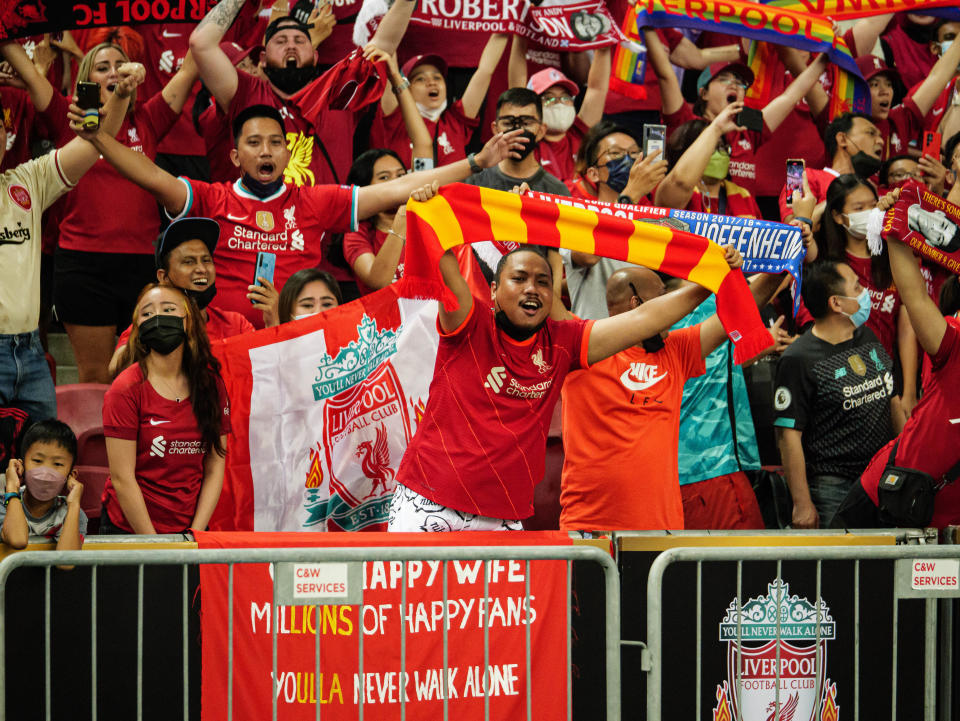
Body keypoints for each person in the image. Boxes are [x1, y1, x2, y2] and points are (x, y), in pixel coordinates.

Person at [388, 183, 763, 531]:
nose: (532, 288)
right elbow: (441, 257)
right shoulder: (468, 322)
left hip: (504, 514)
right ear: (493, 288)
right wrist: (429, 206)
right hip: (430, 500)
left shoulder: (565, 341)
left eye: (543, 281)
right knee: (414, 605)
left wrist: (708, 280)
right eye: (519, 279)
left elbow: (646, 317)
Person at [71, 103, 527, 328]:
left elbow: (395, 188)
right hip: (227, 346)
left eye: (274, 142)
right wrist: (96, 140)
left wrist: (475, 162)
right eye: (254, 143)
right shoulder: (211, 198)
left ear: (287, 152)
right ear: (235, 154)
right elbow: (150, 175)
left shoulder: (311, 202)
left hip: (297, 345)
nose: (265, 151)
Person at [4, 40, 197, 383]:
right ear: (86, 80)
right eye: (102, 66)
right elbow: (29, 72)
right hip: (83, 267)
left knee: (144, 373)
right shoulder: (67, 117)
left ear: (134, 75)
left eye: (120, 64)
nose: (113, 71)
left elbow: (193, 62)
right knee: (95, 377)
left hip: (141, 265)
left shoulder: (149, 118)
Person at [558, 259, 779, 531]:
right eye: (663, 295)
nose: (675, 308)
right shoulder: (583, 345)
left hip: (662, 530)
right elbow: (546, 301)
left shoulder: (676, 350)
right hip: (591, 527)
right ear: (637, 304)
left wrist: (785, 257)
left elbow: (745, 305)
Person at [0, 49, 129, 420]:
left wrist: (119, 94)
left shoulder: (26, 181)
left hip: (30, 351)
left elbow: (94, 141)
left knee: (45, 472)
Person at [836, 188, 960, 529]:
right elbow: (915, 297)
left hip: (940, 521)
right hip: (886, 495)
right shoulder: (954, 340)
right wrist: (896, 232)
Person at [774, 259, 903, 528]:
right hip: (834, 487)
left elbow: (892, 400)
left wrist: (906, 462)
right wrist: (802, 503)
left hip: (882, 479)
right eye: (857, 288)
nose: (865, 293)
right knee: (840, 569)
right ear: (836, 303)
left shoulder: (867, 337)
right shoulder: (799, 358)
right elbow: (788, 436)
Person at [101, 284, 230, 534]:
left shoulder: (211, 384)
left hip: (189, 530)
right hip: (130, 529)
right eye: (147, 314)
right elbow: (122, 478)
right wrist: (155, 546)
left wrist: (196, 532)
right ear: (138, 328)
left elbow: (215, 465)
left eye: (169, 309)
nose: (158, 318)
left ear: (188, 321)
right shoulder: (125, 389)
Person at [817, 174, 918, 410]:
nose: (869, 213)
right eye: (859, 207)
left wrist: (910, 391)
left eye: (873, 205)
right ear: (837, 215)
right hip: (841, 384)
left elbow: (905, 329)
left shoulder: (893, 257)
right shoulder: (827, 265)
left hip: (888, 380)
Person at [108, 216, 256, 376]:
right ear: (163, 277)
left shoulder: (236, 324)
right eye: (189, 262)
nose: (201, 269)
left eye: (206, 260)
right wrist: (152, 335)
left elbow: (265, 370)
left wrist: (273, 319)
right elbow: (116, 370)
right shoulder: (151, 324)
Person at [372, 37, 507, 169]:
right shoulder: (395, 119)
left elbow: (485, 71)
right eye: (420, 79)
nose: (432, 82)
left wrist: (508, 21)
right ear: (405, 88)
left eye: (437, 77)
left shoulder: (457, 121)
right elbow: (388, 50)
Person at [508, 38, 611, 183]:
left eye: (565, 98)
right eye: (549, 98)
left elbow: (597, 89)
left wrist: (604, 43)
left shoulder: (579, 133)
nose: (559, 104)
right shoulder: (524, 140)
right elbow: (516, 85)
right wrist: (520, 36)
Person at [777, 113, 884, 224]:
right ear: (842, 139)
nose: (881, 141)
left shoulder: (874, 189)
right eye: (871, 133)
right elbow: (791, 228)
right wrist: (845, 194)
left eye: (880, 136)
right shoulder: (798, 175)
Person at [1, 420, 85, 550]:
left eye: (57, 464)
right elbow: (17, 540)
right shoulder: (4, 503)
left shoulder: (72, 513)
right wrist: (12, 488)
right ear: (21, 466)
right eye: (37, 461)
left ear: (71, 476)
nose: (45, 474)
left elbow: (67, 562)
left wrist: (74, 505)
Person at [342, 149, 408, 295]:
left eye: (401, 175)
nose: (396, 182)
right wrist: (401, 218)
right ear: (365, 188)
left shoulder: (423, 221)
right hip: (384, 316)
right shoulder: (356, 233)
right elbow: (378, 281)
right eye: (384, 177)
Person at [275, 269, 342, 325]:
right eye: (307, 305)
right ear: (288, 312)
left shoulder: (350, 337)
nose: (318, 312)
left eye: (327, 304)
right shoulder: (273, 340)